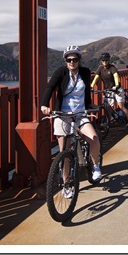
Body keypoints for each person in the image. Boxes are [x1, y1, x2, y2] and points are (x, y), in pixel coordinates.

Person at [40, 45, 102, 185]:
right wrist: (44, 105)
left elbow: (87, 91)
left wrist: (89, 104)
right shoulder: (61, 72)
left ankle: (96, 166)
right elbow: (50, 87)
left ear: (79, 60)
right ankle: (66, 183)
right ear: (65, 60)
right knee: (65, 151)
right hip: (62, 114)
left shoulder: (85, 72)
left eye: (74, 59)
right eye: (69, 59)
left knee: (94, 138)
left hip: (80, 114)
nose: (71, 62)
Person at [91, 52, 128, 128]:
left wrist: (117, 85)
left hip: (117, 89)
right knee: (109, 107)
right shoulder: (100, 68)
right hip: (109, 90)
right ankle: (108, 123)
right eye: (103, 60)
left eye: (106, 60)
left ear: (108, 60)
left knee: (121, 106)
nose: (105, 62)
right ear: (101, 61)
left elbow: (116, 76)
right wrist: (91, 86)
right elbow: (96, 77)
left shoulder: (112, 68)